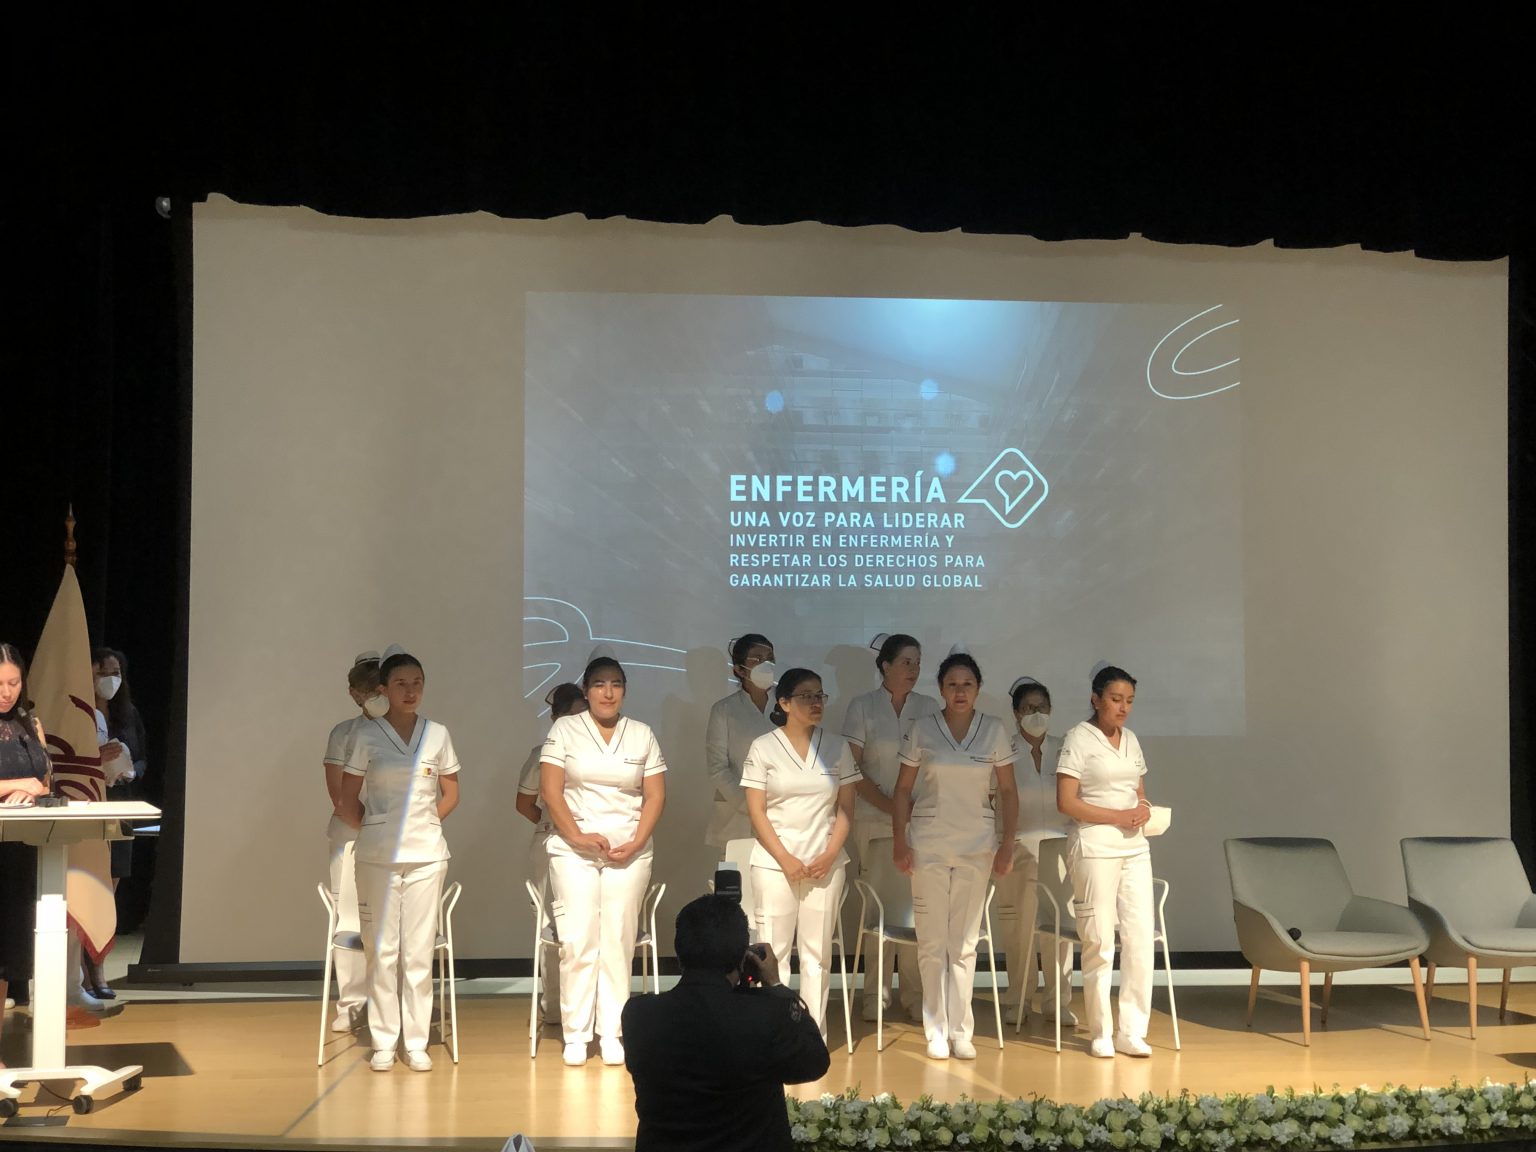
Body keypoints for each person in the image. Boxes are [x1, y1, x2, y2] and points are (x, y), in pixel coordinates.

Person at [622, 894, 829, 1152]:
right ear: (742, 957)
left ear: (679, 951)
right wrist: (776, 986)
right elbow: (815, 1062)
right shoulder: (765, 1015)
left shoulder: (638, 1015)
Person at [338, 649, 461, 1072]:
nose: (410, 691)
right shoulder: (366, 736)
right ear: (384, 689)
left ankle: (417, 1041)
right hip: (377, 857)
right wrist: (378, 829)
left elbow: (451, 793)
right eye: (401, 684)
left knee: (419, 952)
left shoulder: (437, 733)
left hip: (427, 856)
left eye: (417, 683)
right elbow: (347, 799)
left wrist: (423, 822)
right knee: (383, 950)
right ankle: (384, 1041)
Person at [540, 654, 667, 1067]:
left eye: (616, 684)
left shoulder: (642, 734)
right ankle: (576, 1034)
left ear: (624, 690)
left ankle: (612, 1031)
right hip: (573, 851)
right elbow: (551, 791)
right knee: (578, 940)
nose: (608, 692)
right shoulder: (565, 730)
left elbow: (655, 795)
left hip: (628, 852)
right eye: (599, 684)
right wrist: (576, 836)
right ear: (586, 690)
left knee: (617, 939)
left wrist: (637, 840)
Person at [892, 650, 1017, 1060]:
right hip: (928, 845)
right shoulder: (922, 729)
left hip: (976, 846)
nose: (960, 692)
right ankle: (936, 1029)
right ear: (941, 689)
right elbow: (903, 790)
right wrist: (899, 841)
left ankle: (962, 1031)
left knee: (964, 943)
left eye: (967, 684)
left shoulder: (994, 730)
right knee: (932, 941)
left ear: (978, 689)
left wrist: (1007, 844)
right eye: (952, 685)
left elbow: (1009, 792)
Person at [741, 667, 859, 1040]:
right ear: (785, 703)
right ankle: (773, 1035)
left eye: (820, 695)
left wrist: (830, 853)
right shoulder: (763, 747)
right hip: (775, 864)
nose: (815, 702)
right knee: (773, 953)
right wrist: (785, 859)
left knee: (817, 955)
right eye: (806, 696)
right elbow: (757, 811)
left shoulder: (837, 747)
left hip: (825, 863)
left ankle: (812, 1035)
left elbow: (846, 809)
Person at [1055, 664, 1154, 1059]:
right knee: (1099, 939)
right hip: (1094, 846)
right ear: (1096, 699)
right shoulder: (1078, 738)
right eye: (1116, 699)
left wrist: (1143, 808)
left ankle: (1133, 1030)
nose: (1123, 707)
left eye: (1129, 700)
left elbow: (1138, 790)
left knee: (1140, 937)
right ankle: (1101, 1031)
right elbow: (1066, 802)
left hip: (1135, 848)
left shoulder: (1131, 739)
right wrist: (1117, 816)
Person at [839, 631, 937, 1021]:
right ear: (885, 666)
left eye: (918, 662)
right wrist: (890, 806)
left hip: (919, 819)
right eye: (906, 662)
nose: (914, 669)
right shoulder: (863, 706)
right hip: (874, 817)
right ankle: (874, 994)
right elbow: (851, 767)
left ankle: (915, 994)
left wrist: (910, 810)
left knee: (915, 905)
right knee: (879, 905)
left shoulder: (929, 707)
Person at [995, 676, 1075, 1026]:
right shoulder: (1004, 751)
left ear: (1051, 709)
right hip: (1017, 848)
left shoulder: (1065, 748)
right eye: (1028, 708)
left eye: (1042, 707)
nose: (1036, 713)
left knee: (1059, 929)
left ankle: (1058, 1002)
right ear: (1016, 713)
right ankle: (1019, 999)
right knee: (1019, 929)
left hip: (1060, 848)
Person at [319, 651, 385, 1034]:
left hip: (396, 841)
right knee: (350, 920)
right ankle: (351, 1004)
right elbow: (340, 797)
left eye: (381, 688)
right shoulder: (343, 733)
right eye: (368, 690)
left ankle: (387, 1001)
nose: (376, 695)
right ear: (354, 694)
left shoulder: (408, 732)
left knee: (390, 921)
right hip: (351, 837)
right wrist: (370, 829)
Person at [515, 681, 586, 1028]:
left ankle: (587, 1004)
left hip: (589, 843)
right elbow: (524, 803)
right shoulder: (542, 753)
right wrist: (551, 823)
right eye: (573, 715)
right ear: (556, 718)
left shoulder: (598, 752)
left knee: (586, 924)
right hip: (550, 843)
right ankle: (555, 1006)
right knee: (552, 927)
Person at [83, 646, 149, 999]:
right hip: (90, 804)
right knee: (87, 889)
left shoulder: (128, 713)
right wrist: (96, 760)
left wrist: (130, 771)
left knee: (109, 891)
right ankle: (81, 972)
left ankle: (98, 967)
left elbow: (143, 758)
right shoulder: (78, 713)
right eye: (102, 673)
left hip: (121, 806)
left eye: (116, 673)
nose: (110, 680)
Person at [1, 643, 52, 1061]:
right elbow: (27, 782)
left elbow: (45, 783)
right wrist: (16, 786)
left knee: (10, 950)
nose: (7, 692)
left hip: (21, 846)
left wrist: (33, 792)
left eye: (14, 682)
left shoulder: (29, 722)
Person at [703, 634, 776, 856]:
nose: (766, 665)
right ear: (739, 669)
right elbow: (718, 768)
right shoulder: (724, 710)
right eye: (757, 659)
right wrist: (750, 806)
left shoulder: (786, 705)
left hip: (782, 813)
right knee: (735, 873)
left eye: (770, 658)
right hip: (737, 816)